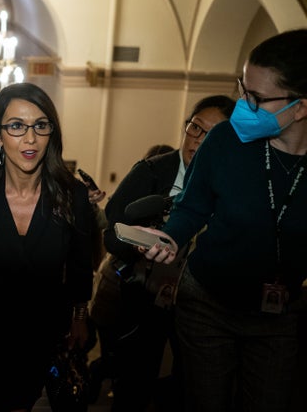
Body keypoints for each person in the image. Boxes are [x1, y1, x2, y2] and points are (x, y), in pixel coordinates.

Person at [138, 29, 307, 412]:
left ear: (300, 107)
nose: (242, 105)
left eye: (256, 98)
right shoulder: (224, 141)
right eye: (242, 89)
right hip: (207, 306)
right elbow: (191, 207)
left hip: (278, 316)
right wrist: (169, 238)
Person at [0, 83, 97, 411]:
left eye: (40, 125)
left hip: (40, 334)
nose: (30, 138)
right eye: (16, 126)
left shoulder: (73, 196)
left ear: (51, 134)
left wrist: (80, 317)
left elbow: (82, 267)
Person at [96, 95, 235, 411]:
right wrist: (141, 246)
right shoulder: (151, 171)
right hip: (143, 297)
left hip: (201, 304)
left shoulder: (231, 183)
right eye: (195, 129)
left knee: (190, 387)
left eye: (212, 135)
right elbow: (113, 231)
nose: (198, 141)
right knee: (134, 383)